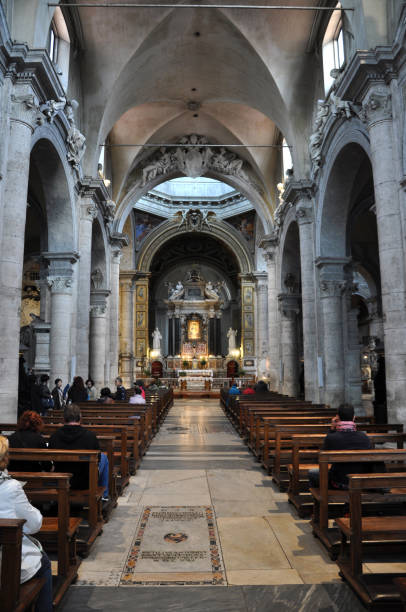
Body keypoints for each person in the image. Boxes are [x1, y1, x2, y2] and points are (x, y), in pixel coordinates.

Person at [0, 436, 53, 612]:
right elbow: (34, 525)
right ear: (5, 458)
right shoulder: (11, 488)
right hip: (5, 565)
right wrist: (29, 505)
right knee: (44, 561)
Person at [48, 404, 109, 501]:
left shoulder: (54, 436)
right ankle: (104, 496)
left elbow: (50, 460)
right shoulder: (90, 436)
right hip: (85, 482)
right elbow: (98, 460)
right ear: (80, 418)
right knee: (104, 457)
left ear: (63, 419)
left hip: (61, 481)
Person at [308, 404, 373, 490]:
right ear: (354, 418)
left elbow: (321, 458)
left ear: (337, 418)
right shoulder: (364, 437)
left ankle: (320, 500)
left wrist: (332, 429)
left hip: (338, 482)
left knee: (312, 472)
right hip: (359, 481)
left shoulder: (332, 437)